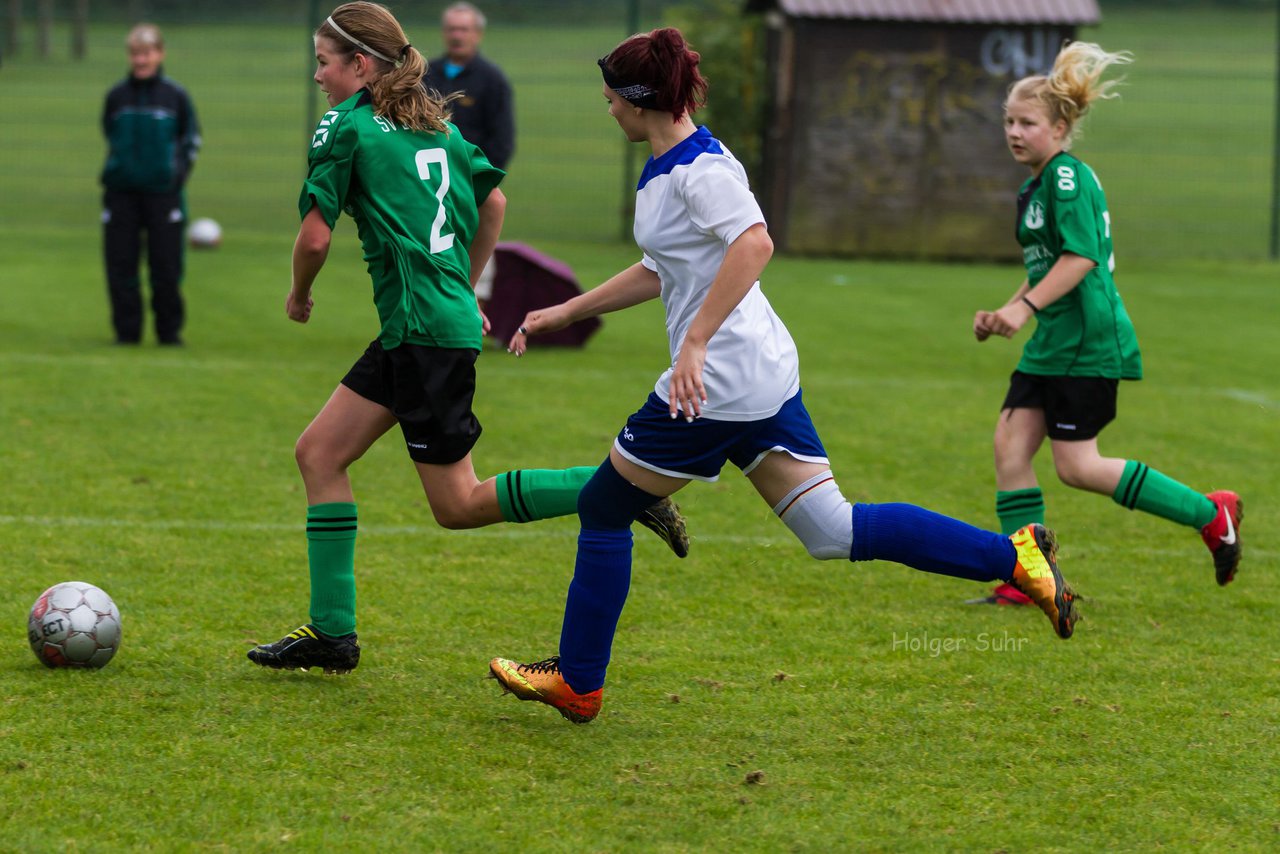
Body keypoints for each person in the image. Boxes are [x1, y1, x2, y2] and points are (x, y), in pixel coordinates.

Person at [487, 28, 1080, 725]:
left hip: (720, 383)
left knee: (604, 506)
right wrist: (568, 310)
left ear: (638, 100)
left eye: (612, 97)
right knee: (832, 529)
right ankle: (1012, 558)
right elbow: (665, 269)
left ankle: (578, 681)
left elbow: (755, 242)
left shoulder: (700, 171)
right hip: (760, 374)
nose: (607, 108)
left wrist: (696, 342)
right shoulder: (673, 161)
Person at [247, 2, 685, 676]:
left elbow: (313, 236)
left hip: (423, 336)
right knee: (318, 454)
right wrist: (465, 285)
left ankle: (620, 488)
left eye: (324, 62)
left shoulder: (346, 125)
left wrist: (301, 292)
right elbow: (496, 202)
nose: (317, 76)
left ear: (359, 66)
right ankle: (333, 635)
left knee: (458, 505)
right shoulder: (436, 128)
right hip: (419, 330)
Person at [968, 42, 1242, 607]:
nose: (1015, 132)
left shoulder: (1067, 178)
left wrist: (1025, 309)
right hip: (1054, 341)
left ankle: (1209, 513)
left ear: (1061, 126)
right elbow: (1046, 265)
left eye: (1028, 123)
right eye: (1009, 122)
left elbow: (1081, 258)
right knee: (1010, 450)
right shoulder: (1035, 186)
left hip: (1087, 341)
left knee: (1078, 466)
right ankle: (1030, 579)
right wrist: (1008, 309)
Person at [100, 23, 200, 346]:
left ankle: (168, 333)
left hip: (163, 195)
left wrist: (175, 177)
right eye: (135, 54)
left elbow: (191, 139)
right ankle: (126, 333)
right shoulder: (116, 96)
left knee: (166, 267)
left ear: (159, 54)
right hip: (121, 194)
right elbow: (109, 133)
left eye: (146, 53)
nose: (140, 60)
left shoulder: (175, 96)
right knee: (121, 266)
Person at [423, 2, 513, 312]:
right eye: (451, 29)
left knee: (475, 252)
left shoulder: (492, 80)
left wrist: (479, 183)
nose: (457, 35)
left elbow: (502, 140)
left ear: (477, 34)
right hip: (427, 184)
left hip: (469, 185)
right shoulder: (423, 75)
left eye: (464, 29)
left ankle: (473, 316)